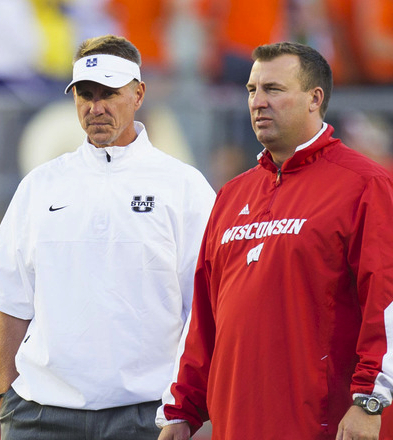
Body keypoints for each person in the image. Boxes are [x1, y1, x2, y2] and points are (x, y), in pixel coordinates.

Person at [155, 41, 393, 440]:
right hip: (236, 423)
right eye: (251, 90)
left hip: (327, 425)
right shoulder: (231, 195)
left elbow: (386, 303)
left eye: (273, 89)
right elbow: (204, 317)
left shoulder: (365, 184)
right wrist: (181, 410)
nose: (257, 102)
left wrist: (371, 398)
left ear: (314, 98)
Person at [0, 34, 215, 440]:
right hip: (39, 414)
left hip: (148, 415)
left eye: (109, 94)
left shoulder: (184, 186)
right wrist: (5, 397)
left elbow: (204, 306)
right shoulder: (39, 186)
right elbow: (10, 299)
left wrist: (183, 408)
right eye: (86, 94)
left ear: (138, 94)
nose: (96, 108)